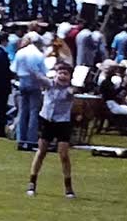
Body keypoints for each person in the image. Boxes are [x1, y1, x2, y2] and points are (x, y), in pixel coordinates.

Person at [26, 62, 76, 198]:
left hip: (63, 122)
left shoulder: (70, 89)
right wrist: (32, 69)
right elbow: (39, 77)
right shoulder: (50, 84)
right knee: (41, 151)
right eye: (60, 73)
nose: (62, 76)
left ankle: (68, 186)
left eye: (66, 74)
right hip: (47, 120)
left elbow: (70, 94)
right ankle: (32, 182)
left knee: (64, 155)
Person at [11, 33, 48, 145]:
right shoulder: (39, 54)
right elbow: (43, 72)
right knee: (33, 112)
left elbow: (14, 69)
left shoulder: (20, 52)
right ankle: (31, 139)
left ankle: (20, 138)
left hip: (22, 81)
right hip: (34, 83)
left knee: (22, 111)